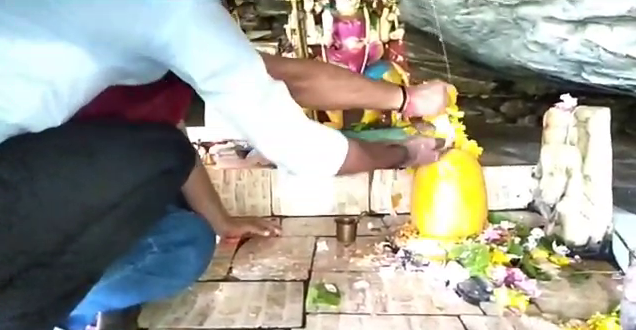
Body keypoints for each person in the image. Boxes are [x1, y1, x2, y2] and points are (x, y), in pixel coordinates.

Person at [0, 1, 451, 329]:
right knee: (178, 221)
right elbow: (306, 149)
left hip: (30, 174)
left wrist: (222, 219)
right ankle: (58, 309)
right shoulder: (175, 13)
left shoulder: (130, 38)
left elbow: (280, 75)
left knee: (182, 226)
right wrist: (406, 152)